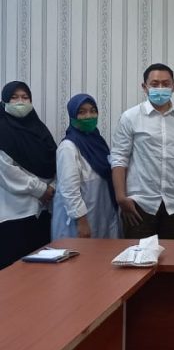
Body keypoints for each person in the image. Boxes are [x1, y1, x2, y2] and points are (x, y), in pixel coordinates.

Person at [110, 63, 174, 239]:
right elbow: (119, 158)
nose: (161, 88)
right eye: (155, 84)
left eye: (166, 83)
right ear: (144, 87)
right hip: (139, 204)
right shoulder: (130, 117)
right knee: (138, 255)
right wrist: (121, 198)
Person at [0, 81, 57, 268]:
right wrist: (41, 189)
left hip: (42, 211)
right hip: (14, 214)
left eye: (25, 97)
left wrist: (52, 187)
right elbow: (7, 172)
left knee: (40, 272)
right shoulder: (2, 130)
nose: (20, 102)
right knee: (14, 272)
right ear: (4, 101)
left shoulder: (39, 129)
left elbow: (54, 162)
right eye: (14, 97)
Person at [52, 94, 120, 240]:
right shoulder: (68, 147)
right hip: (79, 221)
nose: (89, 116)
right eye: (82, 112)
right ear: (72, 116)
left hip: (101, 212)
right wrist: (81, 221)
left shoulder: (98, 142)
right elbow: (69, 190)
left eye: (93, 111)